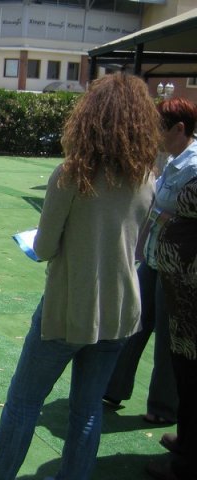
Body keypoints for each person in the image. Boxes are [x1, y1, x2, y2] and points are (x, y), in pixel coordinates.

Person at [0, 73, 160, 480]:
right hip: (121, 311)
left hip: (68, 310)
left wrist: (39, 243)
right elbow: (135, 245)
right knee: (86, 410)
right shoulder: (146, 178)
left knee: (23, 401)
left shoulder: (72, 174)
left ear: (89, 116)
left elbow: (45, 246)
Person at [104, 98, 197, 425]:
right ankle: (113, 388)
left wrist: (161, 213)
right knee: (133, 322)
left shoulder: (194, 165)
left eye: (160, 128)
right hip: (154, 258)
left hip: (178, 267)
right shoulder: (171, 160)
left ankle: (163, 407)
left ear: (179, 128)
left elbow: (177, 211)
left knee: (168, 341)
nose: (153, 135)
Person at [145, 112, 197, 480]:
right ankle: (187, 441)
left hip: (191, 289)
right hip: (181, 287)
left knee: (191, 373)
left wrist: (166, 212)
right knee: (184, 367)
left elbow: (176, 202)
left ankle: (187, 464)